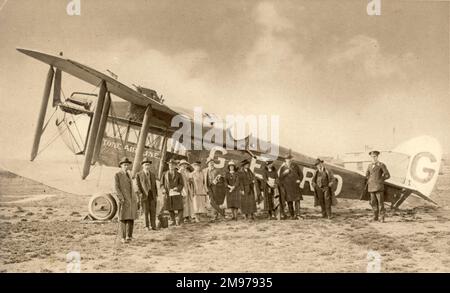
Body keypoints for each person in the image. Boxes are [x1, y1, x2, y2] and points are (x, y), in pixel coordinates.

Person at [114, 157, 138, 243]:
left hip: (131, 200)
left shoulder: (129, 174)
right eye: (124, 165)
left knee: (131, 217)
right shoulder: (117, 175)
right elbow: (116, 188)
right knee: (123, 218)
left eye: (127, 165)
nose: (126, 166)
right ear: (121, 165)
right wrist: (121, 198)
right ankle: (123, 237)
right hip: (123, 200)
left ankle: (129, 236)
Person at [366, 150, 390, 223]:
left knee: (380, 203)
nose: (373, 158)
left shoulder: (381, 165)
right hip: (371, 187)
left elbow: (387, 175)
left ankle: (382, 217)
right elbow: (367, 174)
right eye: (372, 157)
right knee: (373, 203)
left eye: (375, 156)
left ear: (377, 157)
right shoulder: (369, 165)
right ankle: (375, 217)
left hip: (379, 187)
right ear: (370, 157)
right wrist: (370, 180)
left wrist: (380, 180)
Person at [135, 157, 158, 231]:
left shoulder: (153, 174)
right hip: (144, 195)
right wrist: (140, 194)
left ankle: (153, 225)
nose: (147, 166)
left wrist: (156, 194)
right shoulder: (139, 174)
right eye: (145, 165)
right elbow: (138, 185)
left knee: (153, 210)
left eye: (148, 165)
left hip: (152, 195)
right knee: (145, 211)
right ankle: (146, 226)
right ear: (143, 165)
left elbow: (154, 186)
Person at [278, 154, 303, 219]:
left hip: (295, 185)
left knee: (297, 200)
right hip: (287, 187)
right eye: (287, 159)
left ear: (291, 159)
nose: (289, 160)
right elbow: (280, 178)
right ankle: (292, 215)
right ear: (285, 160)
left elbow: (301, 174)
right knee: (289, 201)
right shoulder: (283, 167)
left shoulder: (295, 166)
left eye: (290, 159)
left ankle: (298, 215)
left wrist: (299, 180)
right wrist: (284, 173)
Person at [161, 158, 184, 226]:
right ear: (168, 165)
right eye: (170, 164)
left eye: (172, 165)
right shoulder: (164, 174)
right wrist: (163, 189)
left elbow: (181, 184)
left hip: (176, 192)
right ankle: (173, 220)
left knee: (180, 207)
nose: (171, 166)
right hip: (168, 193)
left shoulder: (179, 174)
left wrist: (177, 188)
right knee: (169, 207)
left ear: (175, 166)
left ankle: (179, 220)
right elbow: (161, 184)